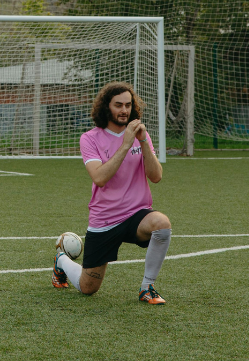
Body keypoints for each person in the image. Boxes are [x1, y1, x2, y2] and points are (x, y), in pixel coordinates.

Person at [52, 82, 171, 305]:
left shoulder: (140, 136)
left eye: (128, 105)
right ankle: (61, 261)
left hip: (137, 214)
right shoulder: (90, 138)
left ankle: (147, 288)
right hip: (105, 219)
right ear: (107, 107)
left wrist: (142, 140)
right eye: (118, 105)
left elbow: (156, 177)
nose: (124, 110)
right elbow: (99, 177)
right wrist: (125, 144)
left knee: (161, 223)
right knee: (88, 288)